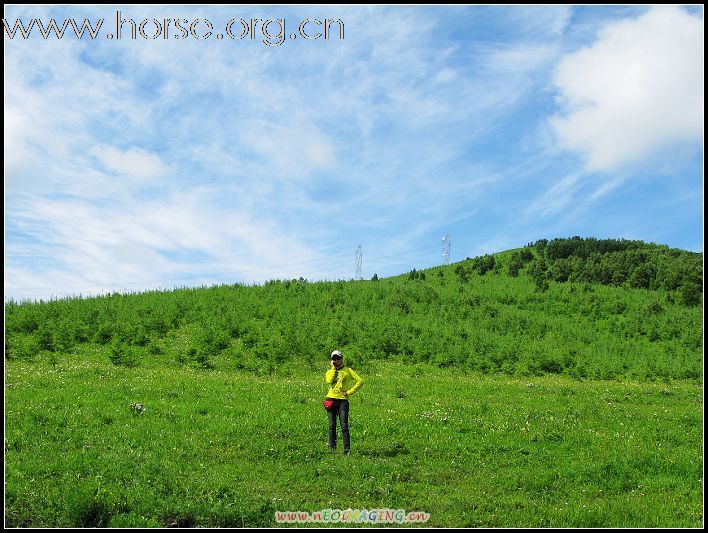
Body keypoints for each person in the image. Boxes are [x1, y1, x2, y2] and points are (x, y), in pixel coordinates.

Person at [325, 349, 364, 455]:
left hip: (343, 401)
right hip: (330, 399)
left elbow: (360, 381)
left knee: (344, 425)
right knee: (332, 425)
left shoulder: (348, 370)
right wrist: (334, 368)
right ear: (332, 360)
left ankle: (346, 450)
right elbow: (329, 381)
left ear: (342, 358)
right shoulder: (329, 372)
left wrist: (350, 392)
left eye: (338, 358)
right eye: (334, 358)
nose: (336, 360)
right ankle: (332, 448)